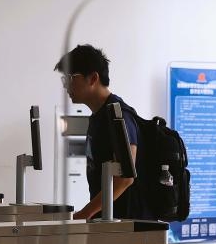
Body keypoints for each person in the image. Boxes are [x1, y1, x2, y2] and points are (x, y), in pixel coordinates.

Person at [55, 44, 152, 221]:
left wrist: (84, 214)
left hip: (127, 224)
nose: (66, 85)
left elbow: (125, 178)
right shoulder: (98, 117)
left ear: (93, 78)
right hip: (107, 220)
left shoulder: (119, 115)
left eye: (70, 78)